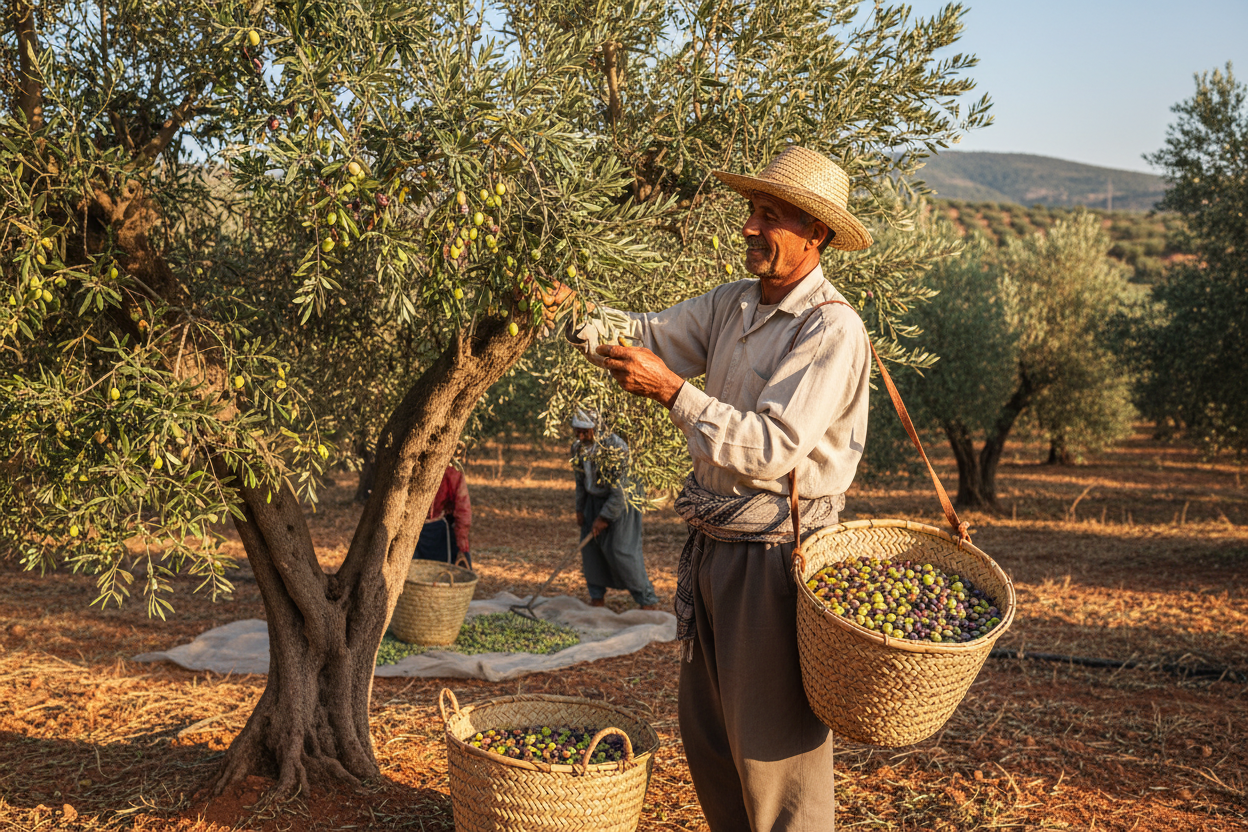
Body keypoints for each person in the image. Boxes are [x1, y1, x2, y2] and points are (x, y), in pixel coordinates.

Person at [566, 146, 874, 832]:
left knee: (773, 756)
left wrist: (674, 393)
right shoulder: (732, 303)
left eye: (769, 216)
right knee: (710, 738)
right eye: (751, 210)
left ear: (816, 233)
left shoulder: (830, 327)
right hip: (716, 544)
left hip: (776, 556)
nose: (749, 227)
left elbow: (772, 447)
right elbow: (649, 336)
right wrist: (571, 312)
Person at [570, 409, 660, 610]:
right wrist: (580, 508)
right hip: (593, 501)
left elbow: (621, 491)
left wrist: (605, 517)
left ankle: (646, 600)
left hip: (623, 502)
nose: (581, 436)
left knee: (621, 550)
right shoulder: (577, 448)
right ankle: (597, 597)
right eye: (577, 431)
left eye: (585, 432)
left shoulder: (615, 447)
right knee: (591, 550)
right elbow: (580, 481)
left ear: (597, 428)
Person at [415, 454, 472, 569]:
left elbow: (462, 510)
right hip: (423, 531)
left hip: (435, 531)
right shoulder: (451, 470)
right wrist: (462, 546)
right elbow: (463, 510)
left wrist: (462, 546)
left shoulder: (451, 471)